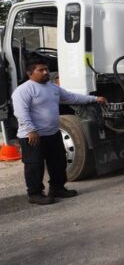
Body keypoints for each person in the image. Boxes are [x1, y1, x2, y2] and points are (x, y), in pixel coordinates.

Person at [11, 59, 107, 205]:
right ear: (30, 73)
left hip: (52, 133)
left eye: (46, 69)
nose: (45, 72)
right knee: (34, 165)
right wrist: (31, 130)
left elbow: (72, 97)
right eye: (41, 70)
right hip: (33, 136)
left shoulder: (52, 88)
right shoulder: (23, 90)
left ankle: (57, 188)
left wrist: (94, 98)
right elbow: (21, 112)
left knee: (58, 162)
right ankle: (35, 194)